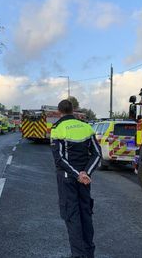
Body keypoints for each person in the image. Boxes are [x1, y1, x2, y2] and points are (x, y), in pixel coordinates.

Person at [50, 99, 102, 258]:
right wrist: (86, 173)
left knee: (72, 217)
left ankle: (78, 255)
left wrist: (76, 174)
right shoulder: (87, 127)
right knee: (85, 214)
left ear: (59, 111)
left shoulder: (57, 128)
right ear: (73, 110)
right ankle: (89, 253)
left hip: (68, 179)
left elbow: (58, 159)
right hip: (85, 180)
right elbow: (97, 154)